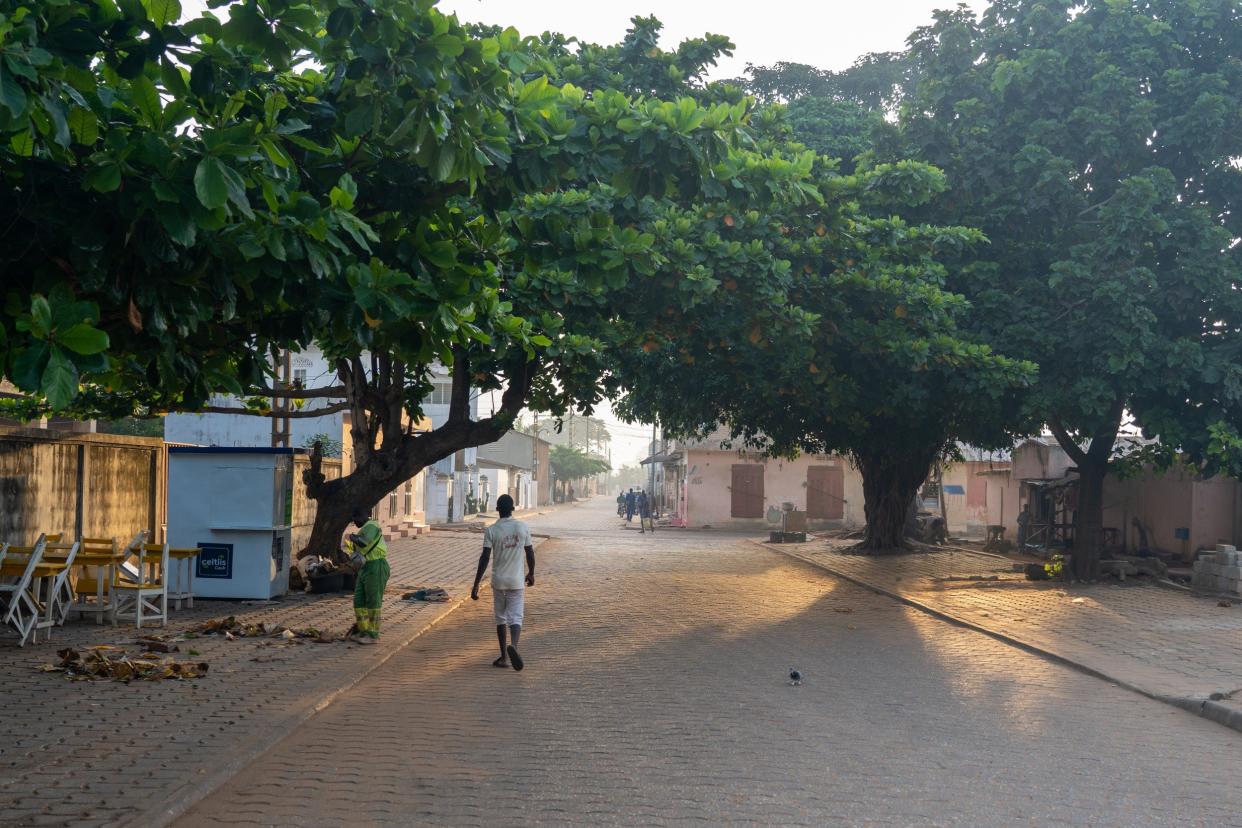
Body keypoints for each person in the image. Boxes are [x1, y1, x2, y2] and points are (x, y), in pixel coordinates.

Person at [471, 494, 535, 671]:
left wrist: (476, 583)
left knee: (501, 617)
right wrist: (531, 573)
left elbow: (484, 557)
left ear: (498, 510)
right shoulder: (522, 527)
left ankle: (504, 657)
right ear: (512, 509)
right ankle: (514, 645)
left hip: (498, 580)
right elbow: (530, 552)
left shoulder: (491, 530)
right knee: (516, 616)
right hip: (516, 581)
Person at [347, 509, 389, 646]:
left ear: (363, 516)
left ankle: (373, 635)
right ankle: (363, 631)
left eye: (355, 519)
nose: (355, 522)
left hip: (376, 565)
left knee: (373, 602)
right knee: (359, 601)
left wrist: (353, 538)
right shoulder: (365, 527)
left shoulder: (371, 525)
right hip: (364, 568)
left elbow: (364, 542)